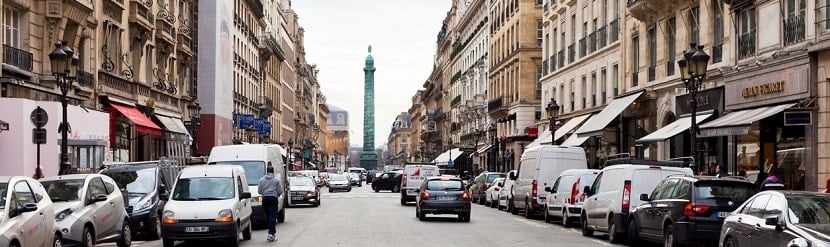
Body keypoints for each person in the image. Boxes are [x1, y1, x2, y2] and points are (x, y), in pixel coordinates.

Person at [258, 165, 282, 242]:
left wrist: (265, 193)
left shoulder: (261, 180)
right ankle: (271, 234)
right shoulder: (276, 180)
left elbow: (259, 191)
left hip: (265, 199)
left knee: (269, 216)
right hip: (273, 198)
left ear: (267, 171)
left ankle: (272, 233)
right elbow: (279, 191)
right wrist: (276, 195)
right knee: (272, 216)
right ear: (273, 171)